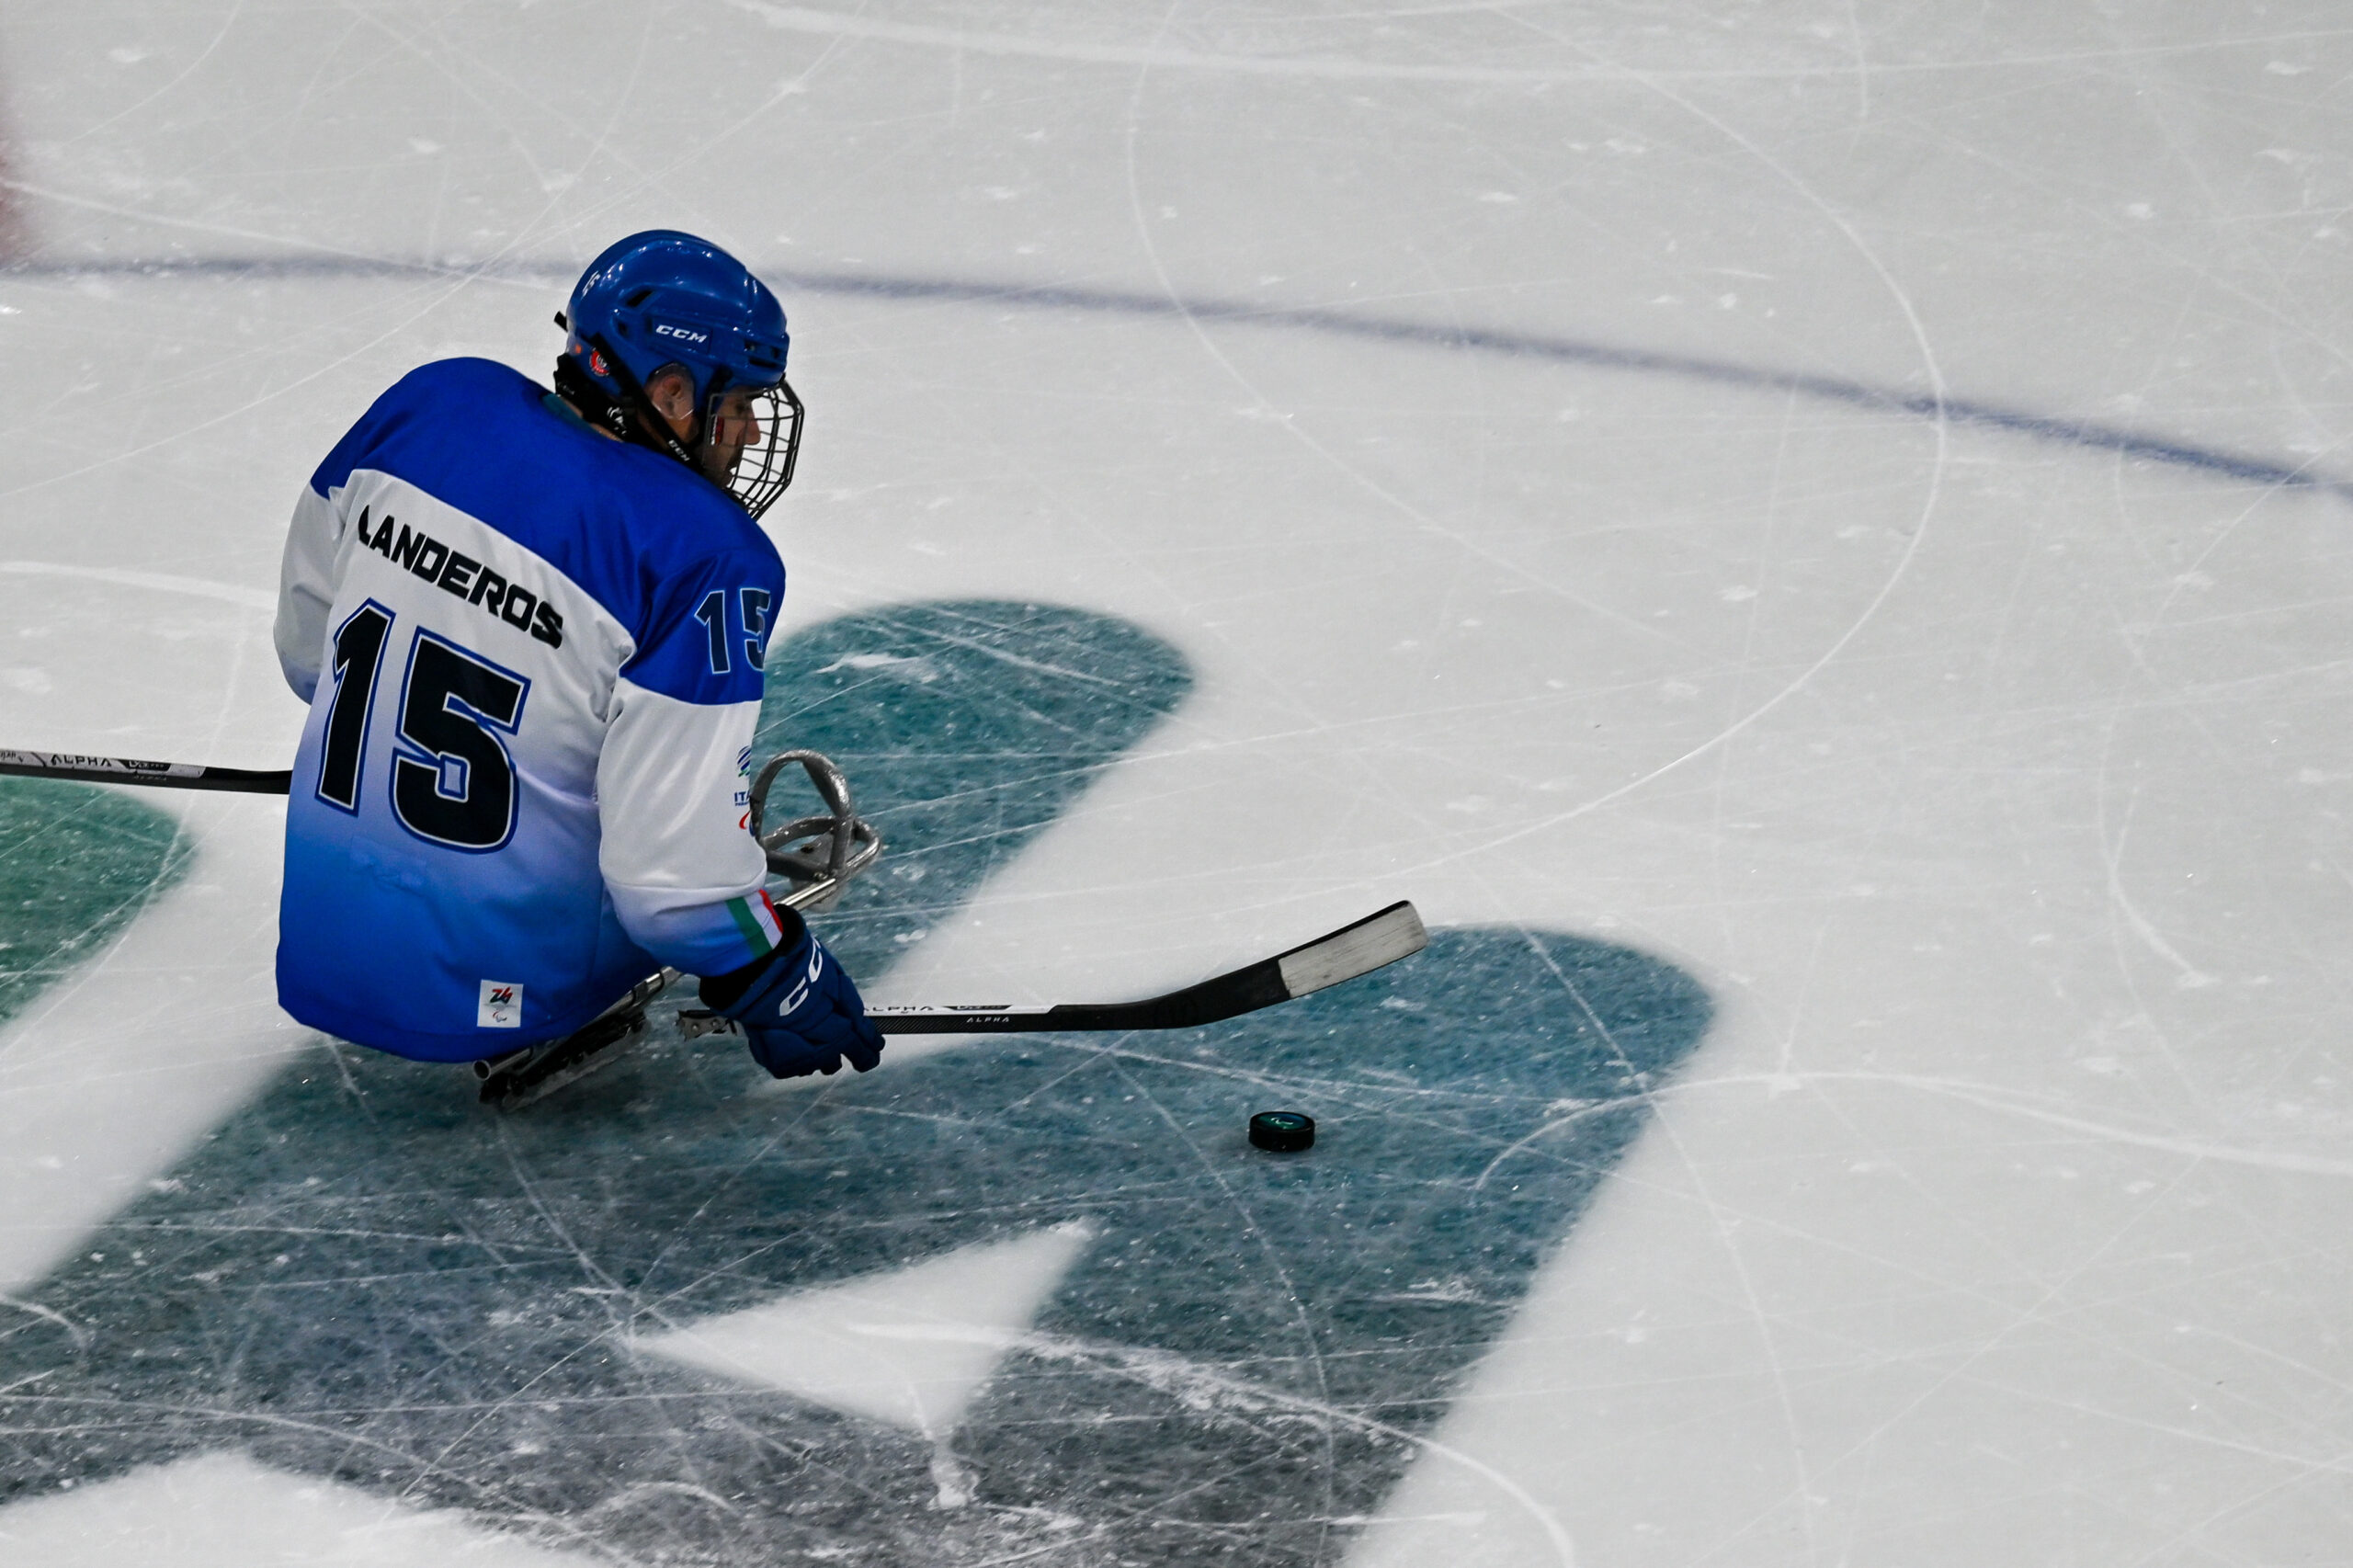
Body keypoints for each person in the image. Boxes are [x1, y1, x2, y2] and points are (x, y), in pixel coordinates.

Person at [270, 230, 883, 1082]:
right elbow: (670, 887)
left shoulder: (433, 402)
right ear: (670, 391)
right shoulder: (706, 553)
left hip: (317, 941)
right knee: (665, 831)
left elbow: (309, 650)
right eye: (736, 401)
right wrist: (774, 970)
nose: (745, 431)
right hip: (511, 988)